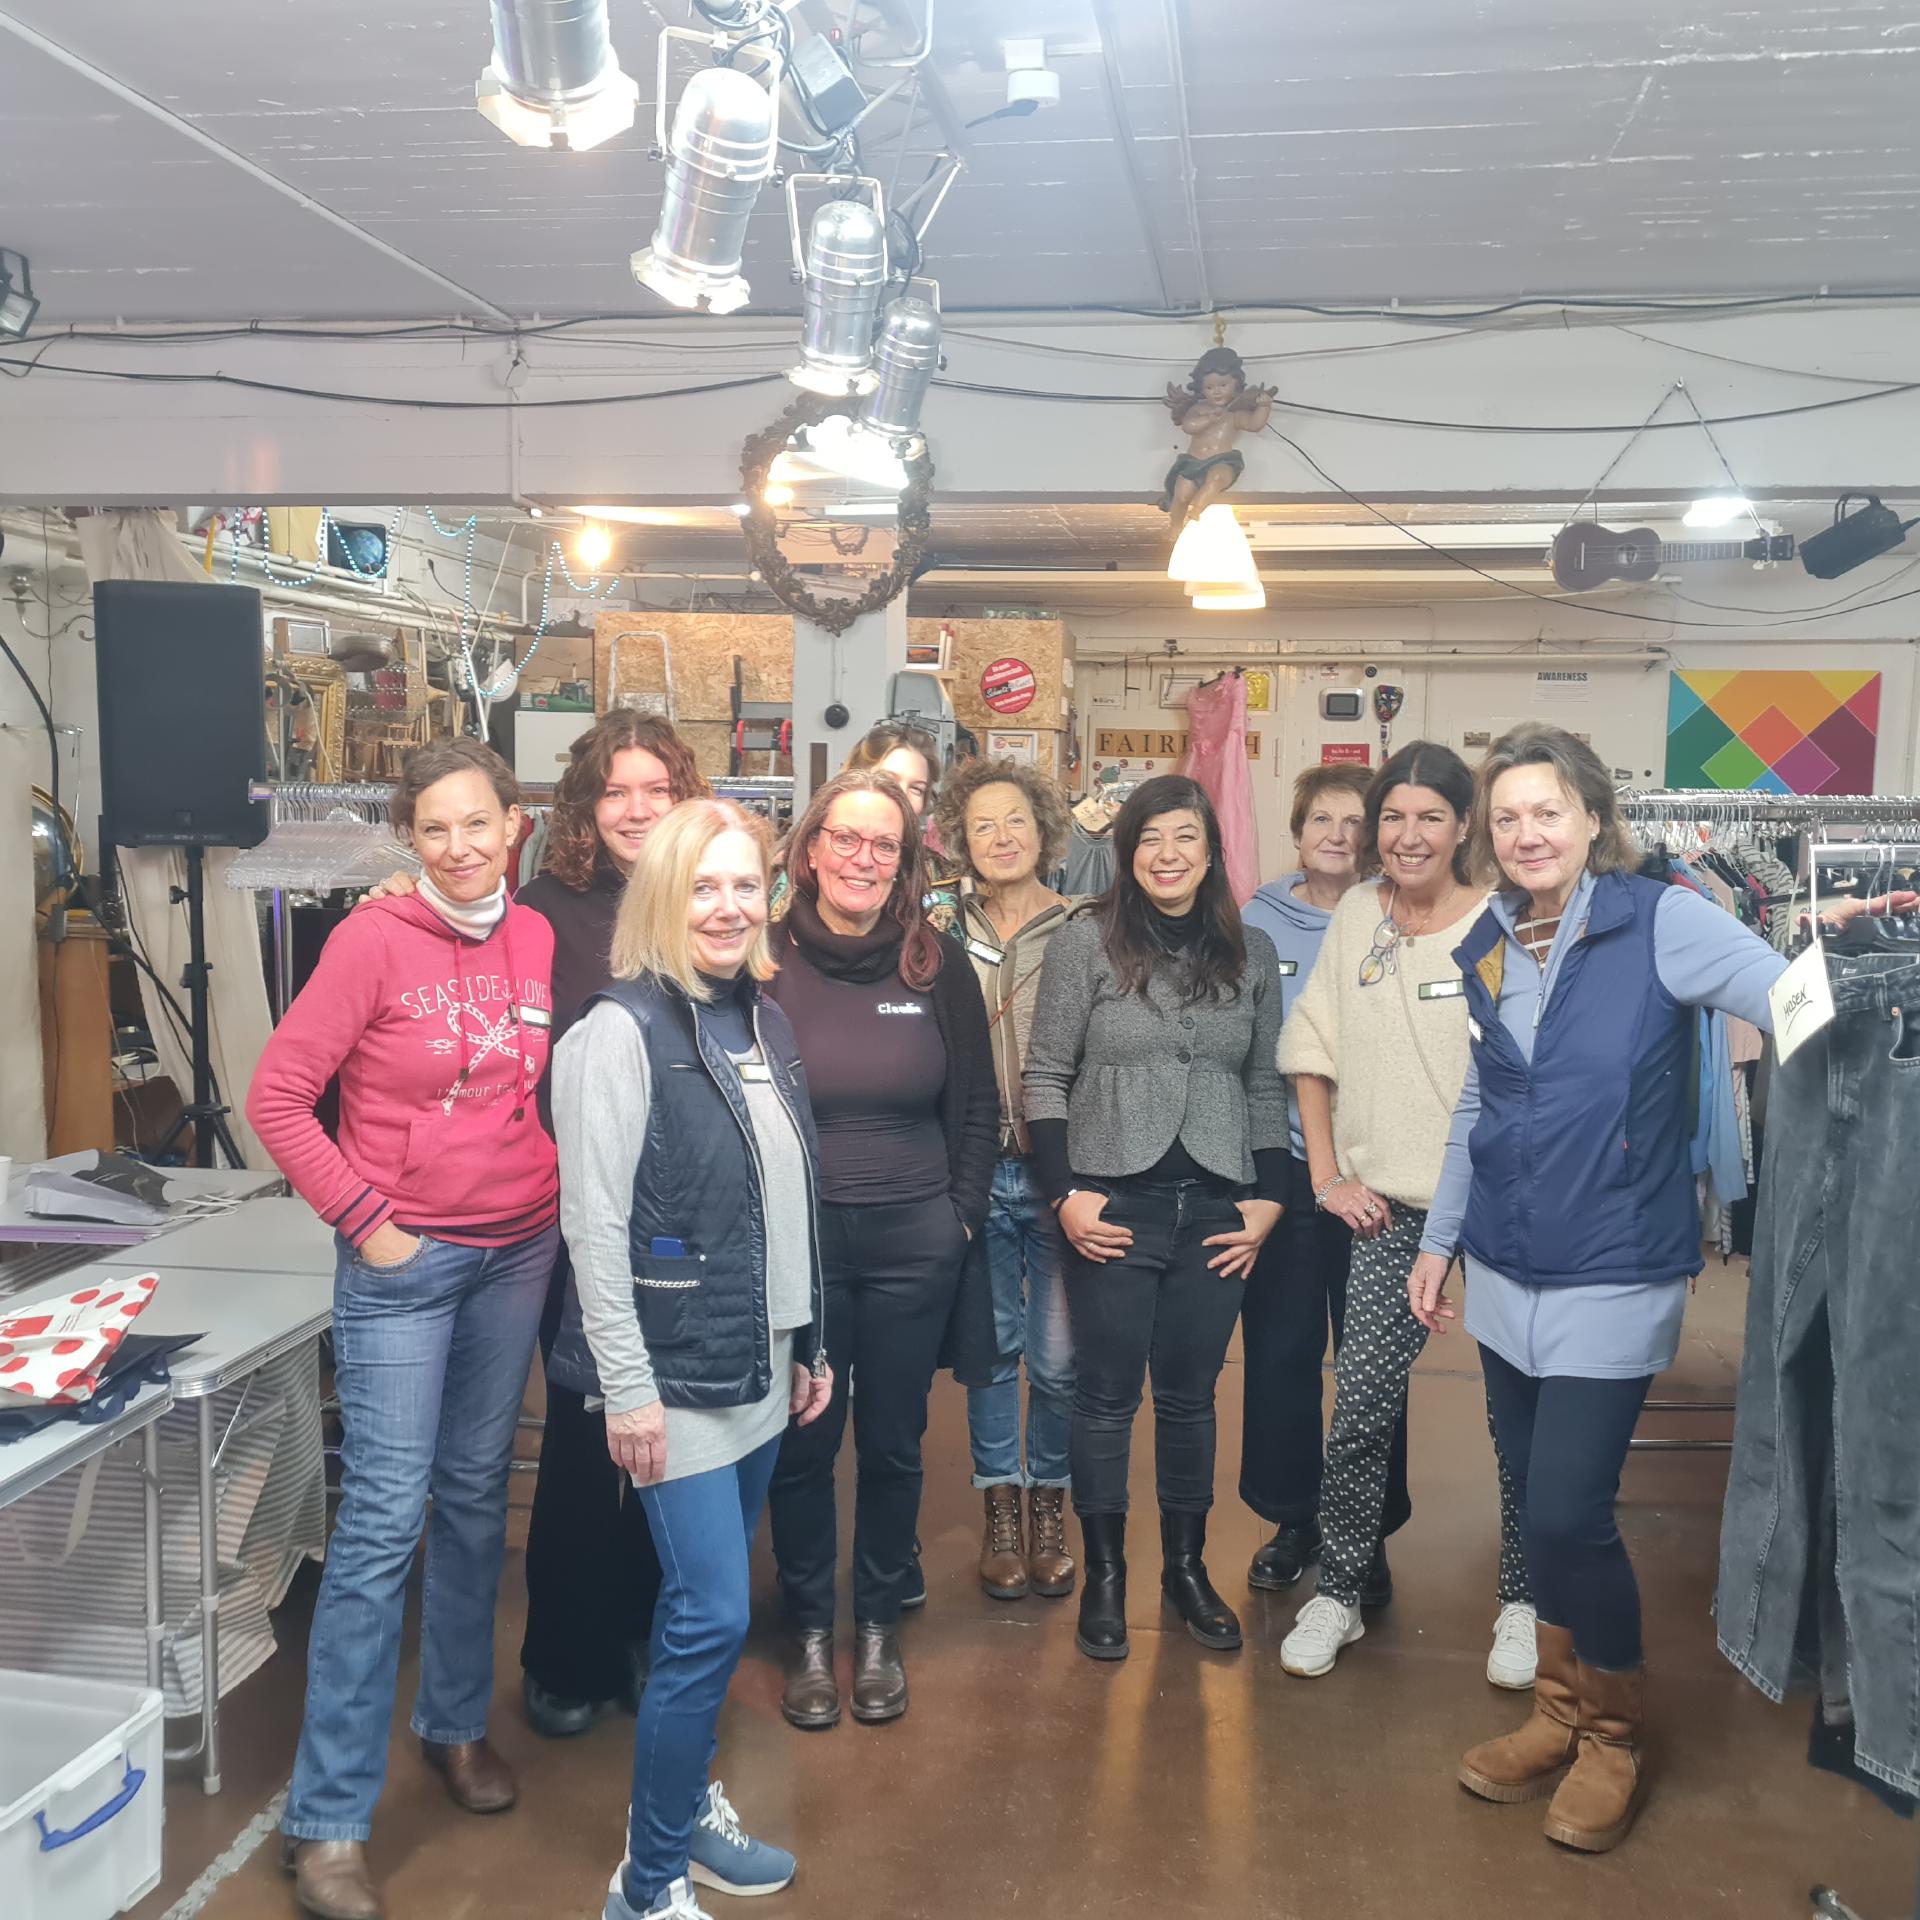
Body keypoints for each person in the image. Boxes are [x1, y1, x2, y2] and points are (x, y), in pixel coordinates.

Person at [1409, 723, 1784, 1854]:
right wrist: (1440, 1241)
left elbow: (1792, 1002)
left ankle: (1613, 1735)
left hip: (1614, 1267)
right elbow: (1480, 1104)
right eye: (1508, 817)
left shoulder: (1663, 918)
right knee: (1535, 1504)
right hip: (1506, 1268)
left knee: (1571, 1509)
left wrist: (1855, 968)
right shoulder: (1489, 938)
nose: (1528, 833)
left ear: (1591, 817)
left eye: (1548, 811)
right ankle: (1557, 1711)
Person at [249, 738, 559, 1920]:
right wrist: (367, 1223)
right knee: (382, 1521)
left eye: (478, 822)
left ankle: (455, 1726)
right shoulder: (370, 940)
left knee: (476, 1497)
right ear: (409, 838)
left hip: (517, 1251)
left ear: (514, 823)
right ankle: (328, 1819)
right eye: (434, 828)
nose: (460, 846)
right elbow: (278, 1097)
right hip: (405, 1267)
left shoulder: (535, 936)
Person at [359, 711, 712, 1738]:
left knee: (674, 1432)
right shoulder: (544, 911)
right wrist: (394, 894)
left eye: (656, 789)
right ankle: (565, 1654)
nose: (636, 809)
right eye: (614, 791)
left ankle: (643, 1635)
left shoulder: (708, 897)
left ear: (683, 798)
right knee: (584, 1433)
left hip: (685, 1212)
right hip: (576, 1213)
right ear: (579, 808)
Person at [553, 798, 833, 1920]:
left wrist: (810, 1342)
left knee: (709, 1614)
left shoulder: (763, 1022)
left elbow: (788, 1201)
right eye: (702, 886)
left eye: (744, 884)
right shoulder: (616, 1033)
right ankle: (649, 1881)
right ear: (663, 899)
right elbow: (594, 1228)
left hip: (761, 1362)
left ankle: (681, 1814)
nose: (727, 907)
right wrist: (627, 1390)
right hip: (674, 1377)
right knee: (710, 1613)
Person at [1243, 760, 1538, 1689]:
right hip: (1392, 1211)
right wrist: (1327, 1175)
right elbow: (1310, 1046)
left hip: (1498, 1205)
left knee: (1515, 1414)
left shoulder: (1505, 919)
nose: (1410, 836)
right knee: (1363, 1403)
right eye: (1395, 817)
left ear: (1465, 826)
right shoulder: (1359, 915)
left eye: (1432, 817)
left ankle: (1524, 1600)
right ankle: (1339, 1590)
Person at [1023, 774, 1288, 1664]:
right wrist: (1065, 1192)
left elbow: (1264, 1083)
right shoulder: (1084, 943)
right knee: (1105, 1398)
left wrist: (1268, 1197)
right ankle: (1106, 1577)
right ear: (1126, 853)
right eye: (1150, 840)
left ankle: (1185, 1570)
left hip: (1216, 1207)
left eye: (1185, 838)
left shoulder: (1249, 952)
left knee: (1189, 1398)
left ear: (1211, 852)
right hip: (1113, 1206)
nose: (1168, 855)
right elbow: (1045, 1074)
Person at [763, 768, 997, 1728]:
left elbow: (976, 1108)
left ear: (904, 865)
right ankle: (811, 1632)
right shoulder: (759, 962)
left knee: (896, 1446)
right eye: (846, 839)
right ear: (811, 848)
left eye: (884, 846)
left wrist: (959, 1219)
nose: (863, 859)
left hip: (914, 1247)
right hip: (799, 1253)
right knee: (804, 1444)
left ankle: (874, 1629)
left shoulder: (936, 966)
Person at [933, 755, 1086, 1601]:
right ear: (960, 841)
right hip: (972, 1170)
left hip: (1057, 1174)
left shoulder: (1083, 927)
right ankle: (999, 1508)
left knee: (1058, 1361)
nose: (1000, 837)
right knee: (990, 1355)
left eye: (1015, 820)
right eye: (982, 825)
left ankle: (1048, 1506)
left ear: (1044, 831)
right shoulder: (939, 929)